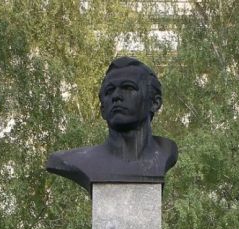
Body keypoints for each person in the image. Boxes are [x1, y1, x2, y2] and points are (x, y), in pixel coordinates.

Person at [47, 57, 178, 192]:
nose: (116, 96)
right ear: (103, 110)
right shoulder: (75, 160)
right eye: (109, 91)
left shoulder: (166, 151)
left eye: (128, 88)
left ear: (154, 103)